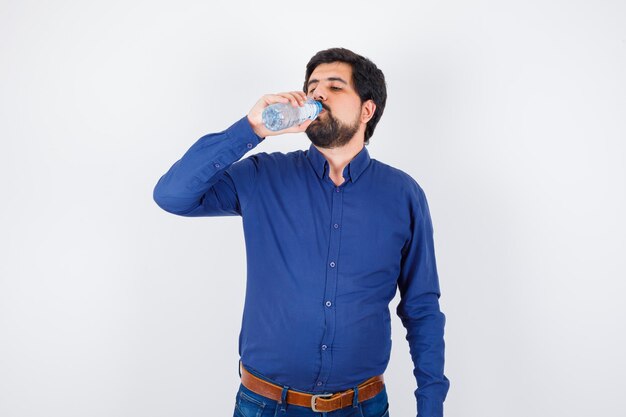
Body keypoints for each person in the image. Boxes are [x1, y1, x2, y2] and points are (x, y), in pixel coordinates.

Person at [153, 47, 450, 417]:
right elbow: (171, 195)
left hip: (362, 408)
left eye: (335, 86)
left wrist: (431, 406)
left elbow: (422, 308)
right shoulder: (263, 176)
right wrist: (251, 129)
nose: (318, 95)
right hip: (265, 406)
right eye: (312, 88)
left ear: (367, 109)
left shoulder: (403, 194)